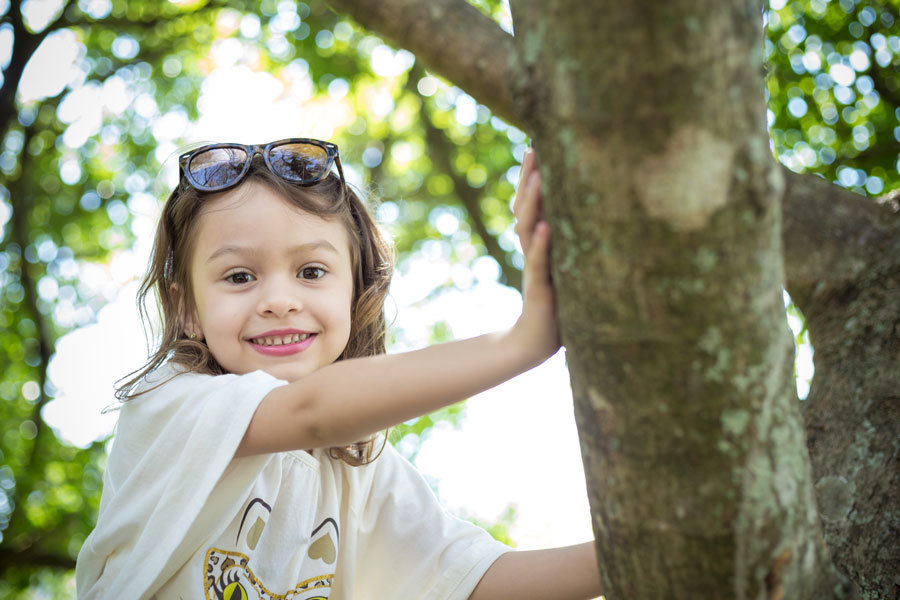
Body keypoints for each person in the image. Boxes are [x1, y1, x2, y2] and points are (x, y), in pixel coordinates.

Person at [75, 138, 602, 599]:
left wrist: (632, 549)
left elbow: (473, 581)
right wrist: (521, 344)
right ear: (187, 307)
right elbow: (312, 412)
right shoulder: (170, 403)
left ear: (355, 292)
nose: (279, 300)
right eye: (239, 277)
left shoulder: (362, 468)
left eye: (310, 271)